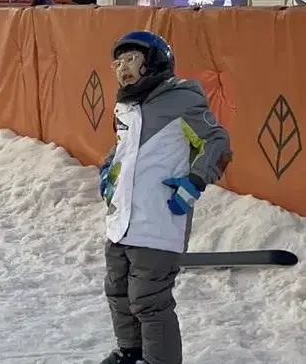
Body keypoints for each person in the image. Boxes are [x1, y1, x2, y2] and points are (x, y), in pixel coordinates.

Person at [99, 31, 232, 364]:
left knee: (149, 299)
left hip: (158, 219)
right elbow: (123, 150)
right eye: (117, 62)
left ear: (155, 59)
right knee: (118, 291)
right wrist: (108, 174)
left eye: (131, 59)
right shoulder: (126, 105)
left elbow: (217, 143)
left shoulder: (182, 99)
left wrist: (194, 181)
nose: (122, 68)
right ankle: (130, 352)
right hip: (121, 219)